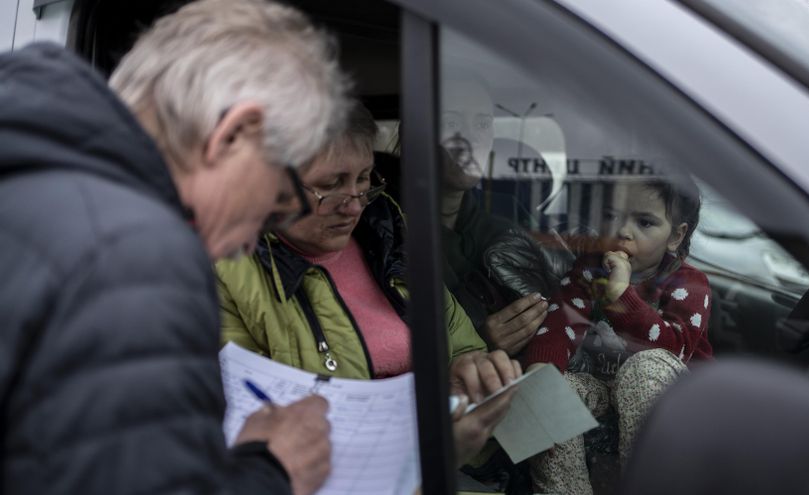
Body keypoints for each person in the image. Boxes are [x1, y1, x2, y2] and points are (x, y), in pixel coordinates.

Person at [0, 0, 350, 494]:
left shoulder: (27, 176)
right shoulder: (135, 252)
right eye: (273, 204)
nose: (248, 244)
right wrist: (273, 472)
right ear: (234, 136)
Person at [215, 101, 521, 466]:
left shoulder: (391, 236)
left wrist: (466, 375)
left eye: (364, 179)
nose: (355, 205)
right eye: (331, 185)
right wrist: (429, 449)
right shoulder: (224, 274)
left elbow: (460, 345)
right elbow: (248, 439)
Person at [521, 176, 713, 495]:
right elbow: (559, 325)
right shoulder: (590, 269)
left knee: (645, 369)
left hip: (669, 396)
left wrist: (621, 296)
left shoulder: (689, 285)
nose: (623, 231)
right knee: (552, 392)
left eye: (644, 222)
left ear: (675, 237)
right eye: (611, 216)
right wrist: (539, 376)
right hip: (603, 385)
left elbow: (673, 351)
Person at [619, 358, 809, 495]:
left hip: (654, 383)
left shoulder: (689, 286)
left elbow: (672, 345)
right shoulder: (587, 276)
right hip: (592, 383)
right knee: (574, 401)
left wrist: (623, 295)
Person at [439, 73, 550, 357]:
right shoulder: (391, 234)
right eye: (452, 123)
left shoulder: (509, 212)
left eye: (482, 124)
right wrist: (477, 345)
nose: (471, 137)